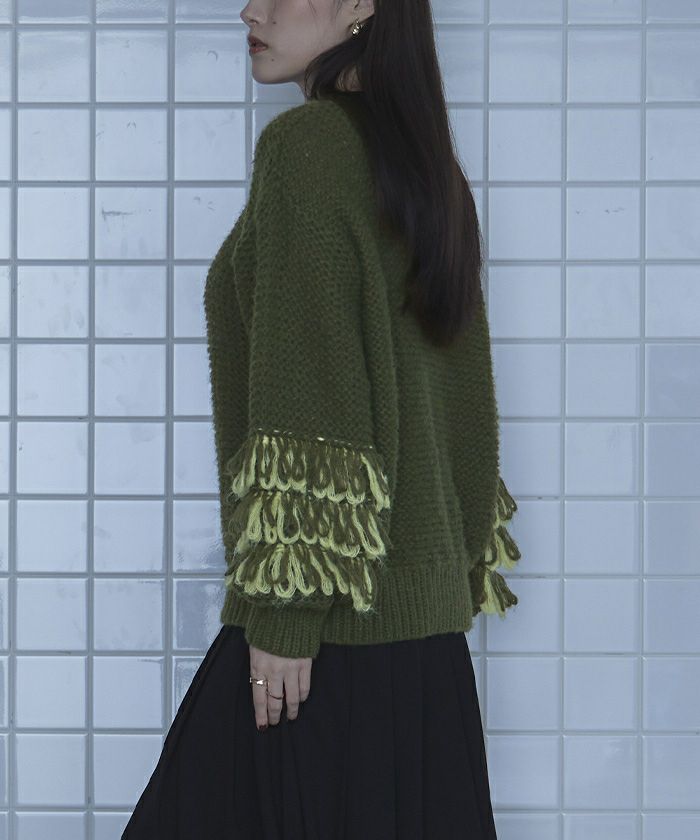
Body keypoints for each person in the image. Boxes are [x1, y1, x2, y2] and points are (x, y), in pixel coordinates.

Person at [122, 0, 521, 837]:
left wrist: (285, 614)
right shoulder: (426, 169)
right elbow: (466, 408)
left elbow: (315, 391)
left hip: (321, 640)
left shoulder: (307, 148)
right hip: (424, 649)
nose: (252, 9)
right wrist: (444, 576)